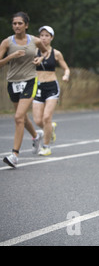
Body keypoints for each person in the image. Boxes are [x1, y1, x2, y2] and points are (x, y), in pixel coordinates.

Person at [0, 12, 49, 168]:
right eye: (14, 23)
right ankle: (36, 136)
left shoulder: (34, 40)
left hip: (29, 80)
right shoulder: (7, 43)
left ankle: (14, 155)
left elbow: (46, 51)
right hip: (13, 82)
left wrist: (40, 58)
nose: (17, 26)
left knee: (18, 117)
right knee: (21, 117)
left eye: (20, 23)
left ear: (26, 25)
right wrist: (11, 57)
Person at [32, 26, 70, 156]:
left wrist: (66, 76)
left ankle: (46, 147)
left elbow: (66, 68)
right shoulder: (34, 51)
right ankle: (50, 129)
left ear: (51, 38)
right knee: (38, 121)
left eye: (47, 35)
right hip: (38, 87)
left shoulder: (56, 53)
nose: (43, 38)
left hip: (52, 87)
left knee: (47, 117)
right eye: (41, 35)